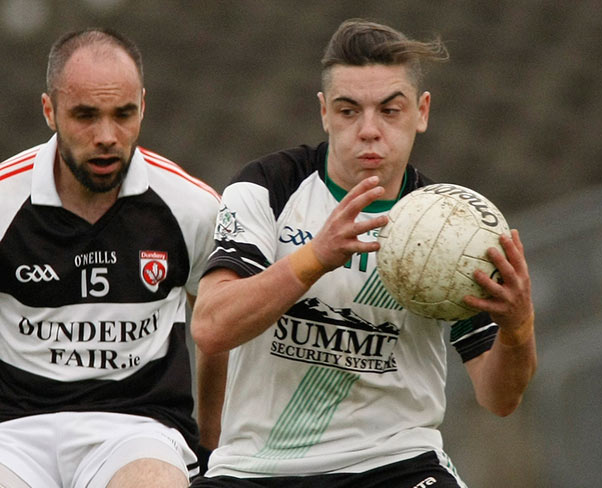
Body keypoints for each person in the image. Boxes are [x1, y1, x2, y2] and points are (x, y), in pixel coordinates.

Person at [191, 18, 537, 487]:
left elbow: (499, 399)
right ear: (324, 113)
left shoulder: (452, 228)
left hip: (395, 462)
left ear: (422, 111)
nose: (369, 130)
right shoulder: (268, 188)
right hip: (258, 469)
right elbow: (211, 327)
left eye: (389, 111)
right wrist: (314, 258)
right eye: (349, 111)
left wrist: (518, 328)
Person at [0, 28, 221, 487]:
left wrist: (213, 439)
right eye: (85, 115)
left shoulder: (193, 206)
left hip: (137, 429)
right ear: (49, 110)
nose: (107, 136)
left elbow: (220, 322)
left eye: (124, 114)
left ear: (143, 104)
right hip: (12, 434)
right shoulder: (4, 199)